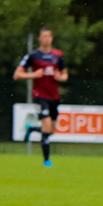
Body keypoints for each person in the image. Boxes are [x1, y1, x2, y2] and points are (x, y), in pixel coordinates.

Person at [14, 28, 69, 167]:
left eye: (48, 36)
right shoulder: (33, 56)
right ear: (39, 39)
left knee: (51, 130)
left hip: (54, 96)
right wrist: (33, 75)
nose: (46, 39)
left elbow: (65, 75)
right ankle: (47, 160)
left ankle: (32, 129)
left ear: (52, 38)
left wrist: (60, 77)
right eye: (43, 36)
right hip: (40, 95)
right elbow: (17, 75)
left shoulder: (58, 55)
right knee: (46, 124)